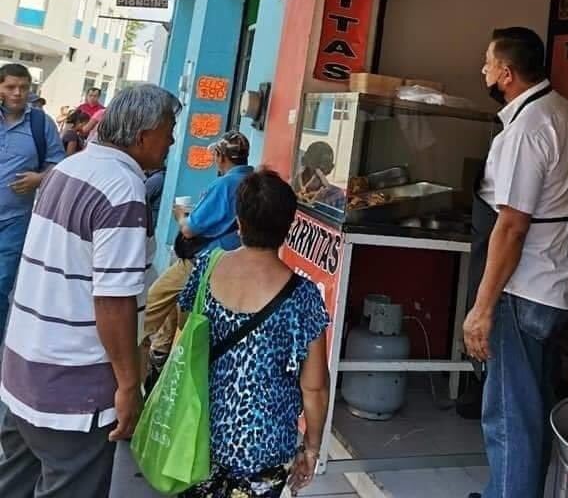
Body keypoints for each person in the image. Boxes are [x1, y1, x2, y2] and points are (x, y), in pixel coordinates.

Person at [0, 84, 181, 498]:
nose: (172, 139)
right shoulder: (122, 190)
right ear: (144, 133)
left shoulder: (71, 168)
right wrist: (127, 386)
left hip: (24, 370)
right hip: (71, 390)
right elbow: (114, 302)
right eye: (169, 128)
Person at [463, 27, 568, 498]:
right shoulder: (562, 110)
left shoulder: (528, 129)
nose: (483, 70)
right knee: (530, 405)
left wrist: (481, 308)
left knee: (509, 415)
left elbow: (512, 226)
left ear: (507, 73)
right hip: (554, 276)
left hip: (525, 286)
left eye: (487, 62)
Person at [177, 168, 330, 498]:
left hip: (198, 432)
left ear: (239, 221)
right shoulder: (303, 296)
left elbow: (184, 333)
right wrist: (311, 449)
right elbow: (314, 387)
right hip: (265, 448)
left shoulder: (206, 268)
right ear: (288, 227)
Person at [142, 132, 253, 383]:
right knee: (179, 309)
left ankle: (133, 349)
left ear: (221, 157)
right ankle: (160, 353)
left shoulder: (225, 184)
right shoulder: (253, 180)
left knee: (155, 300)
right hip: (231, 260)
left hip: (204, 260)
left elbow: (190, 229)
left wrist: (181, 215)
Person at [0, 63, 64, 340]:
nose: (17, 93)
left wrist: (39, 179)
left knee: (1, 286)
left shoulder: (40, 123)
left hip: (15, 220)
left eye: (23, 88)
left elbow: (58, 163)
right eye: (10, 87)